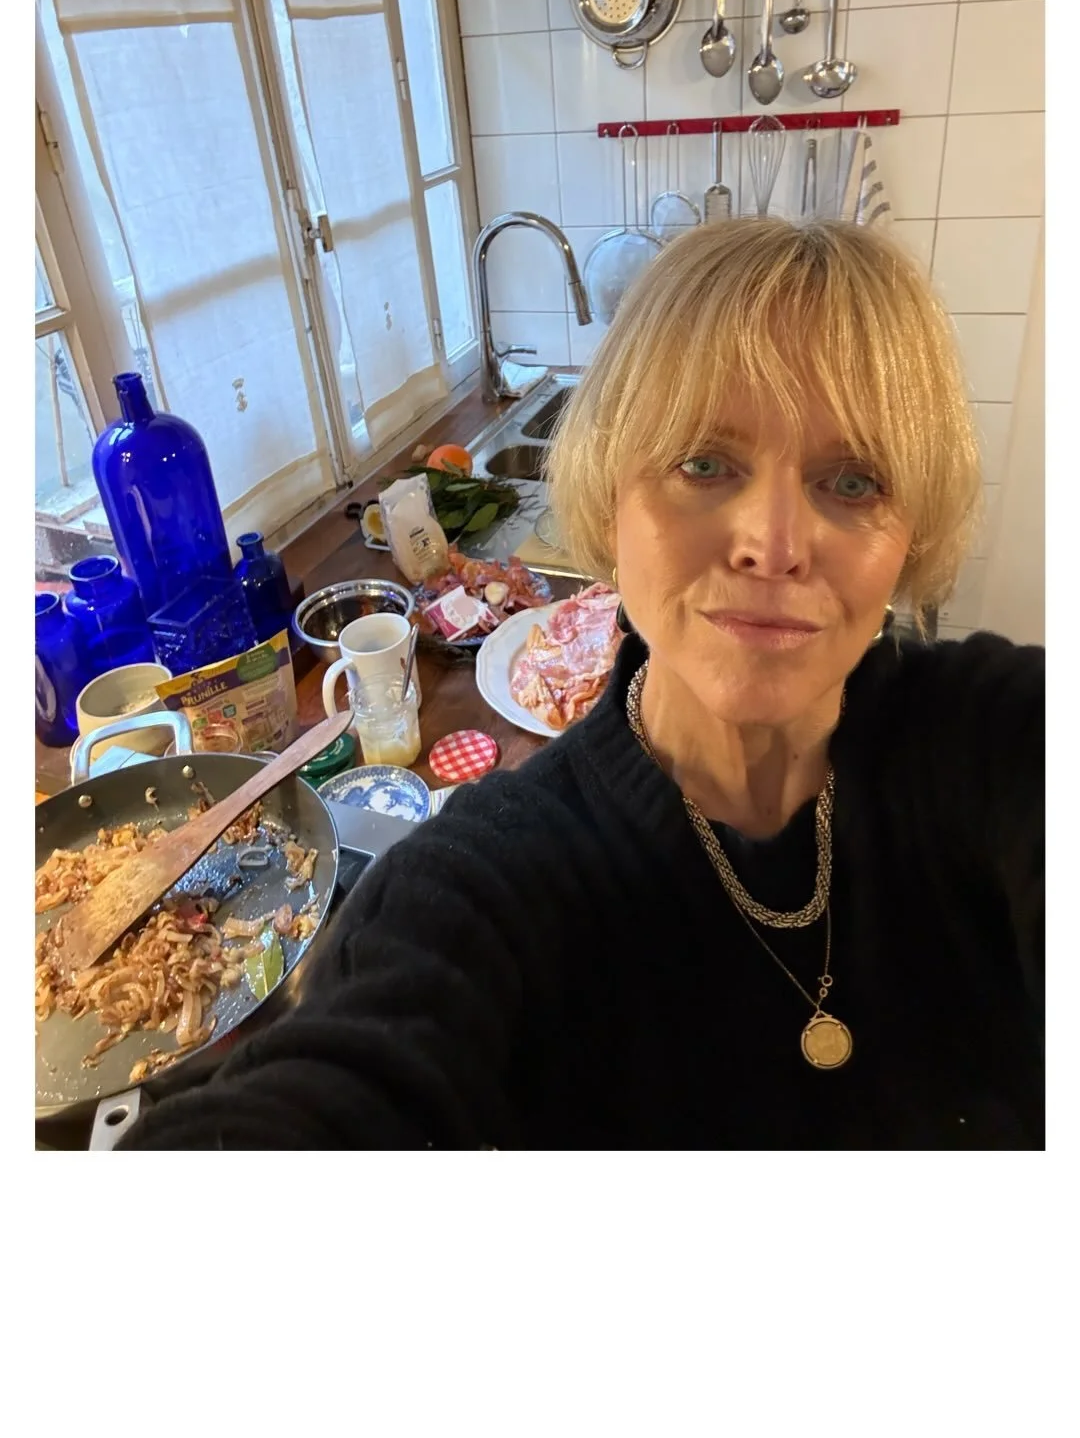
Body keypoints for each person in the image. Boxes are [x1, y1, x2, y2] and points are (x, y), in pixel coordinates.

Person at [122, 219, 1044, 1150]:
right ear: (610, 497)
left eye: (852, 482)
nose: (774, 545)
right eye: (704, 463)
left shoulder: (999, 744)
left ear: (911, 532)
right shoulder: (491, 883)